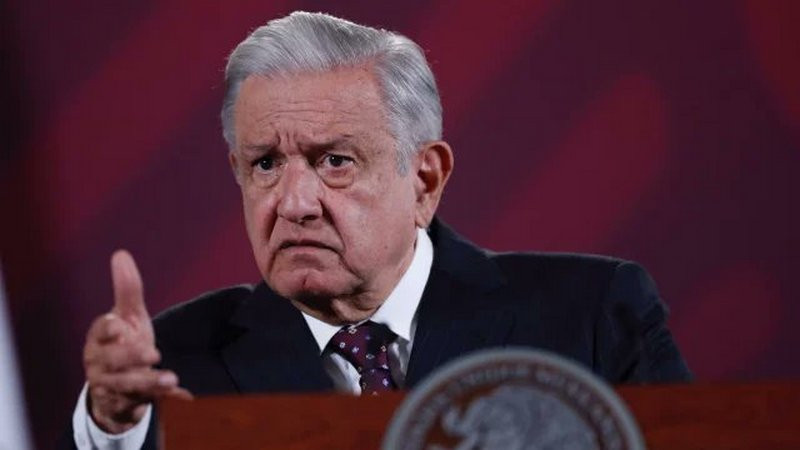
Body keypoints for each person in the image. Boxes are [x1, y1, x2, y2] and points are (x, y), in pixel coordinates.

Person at [63, 11, 690, 450]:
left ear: (424, 179)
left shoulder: (592, 318)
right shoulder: (173, 362)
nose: (294, 203)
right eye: (266, 165)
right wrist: (113, 427)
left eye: (335, 161)